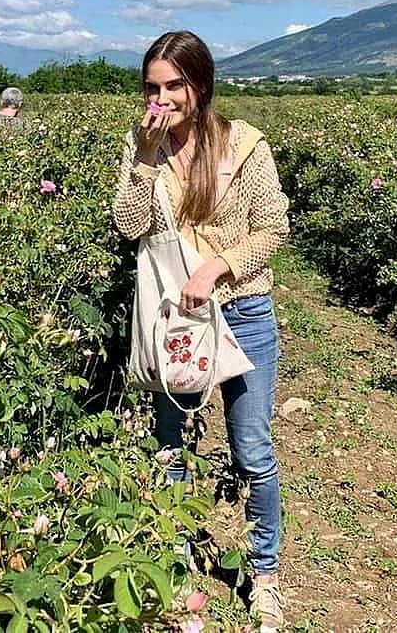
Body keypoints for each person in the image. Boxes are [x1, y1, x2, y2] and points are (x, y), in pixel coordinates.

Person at [112, 31, 290, 632]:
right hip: (178, 318)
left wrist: (219, 266)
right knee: (171, 446)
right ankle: (177, 556)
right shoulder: (145, 146)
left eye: (173, 86)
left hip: (242, 310)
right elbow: (129, 226)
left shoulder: (244, 145)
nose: (161, 99)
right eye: (152, 88)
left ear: (201, 85)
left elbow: (273, 227)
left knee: (252, 449)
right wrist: (143, 157)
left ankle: (264, 574)